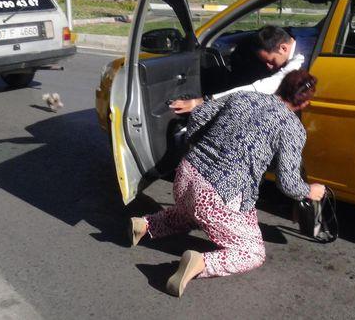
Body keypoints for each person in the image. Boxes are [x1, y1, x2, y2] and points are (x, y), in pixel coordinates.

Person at [128, 69, 327, 298]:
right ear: (304, 103)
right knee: (252, 252)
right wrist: (310, 191)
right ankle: (200, 262)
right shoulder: (292, 128)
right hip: (218, 193)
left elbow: (199, 115)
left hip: (186, 174)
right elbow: (289, 183)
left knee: (194, 212)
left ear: (282, 86)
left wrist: (202, 147)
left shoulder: (244, 97)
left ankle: (144, 225)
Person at [169, 25, 304, 114]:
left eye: (271, 61)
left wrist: (204, 101)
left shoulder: (298, 61)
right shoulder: (302, 37)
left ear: (283, 48)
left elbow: (260, 87)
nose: (269, 67)